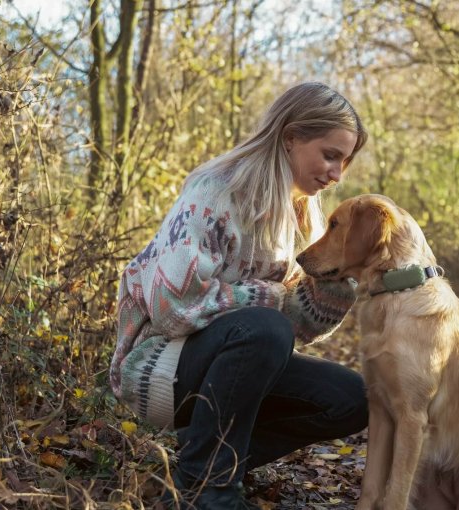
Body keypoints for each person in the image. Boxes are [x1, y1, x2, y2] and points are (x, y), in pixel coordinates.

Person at [109, 82, 369, 509]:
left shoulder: (298, 213)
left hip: (230, 361)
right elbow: (173, 308)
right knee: (264, 329)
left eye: (345, 161)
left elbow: (295, 328)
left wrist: (342, 275)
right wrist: (271, 297)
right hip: (157, 365)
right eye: (330, 155)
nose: (337, 174)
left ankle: (199, 463)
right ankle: (209, 488)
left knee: (353, 400)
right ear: (290, 138)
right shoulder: (215, 191)